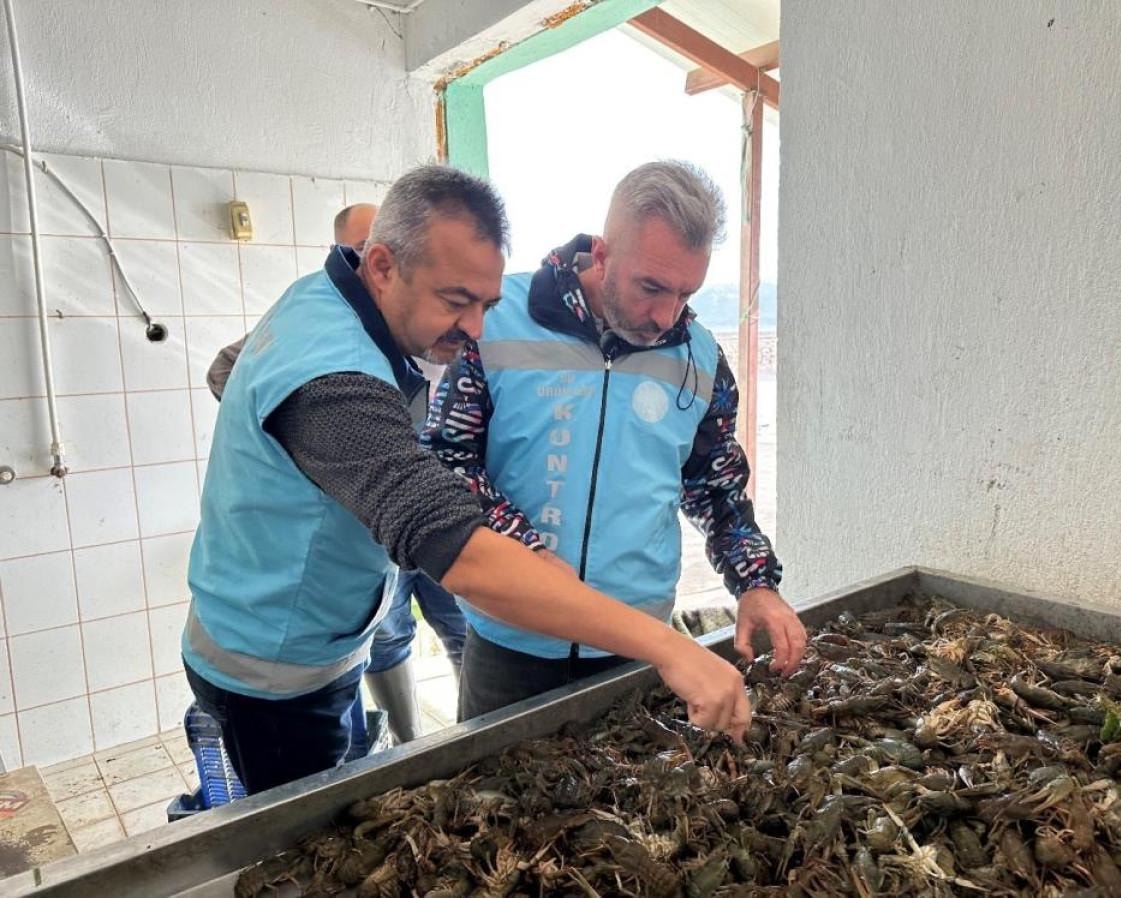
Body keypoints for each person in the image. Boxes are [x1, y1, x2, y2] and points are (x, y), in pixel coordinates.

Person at [183, 164, 750, 795]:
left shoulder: (328, 303)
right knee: (296, 835)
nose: (476, 328)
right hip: (268, 670)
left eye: (487, 305)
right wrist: (671, 648)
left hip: (320, 643)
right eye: (456, 302)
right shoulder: (331, 376)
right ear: (381, 266)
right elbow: (454, 545)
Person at [423, 161, 808, 720]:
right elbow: (447, 460)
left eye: (686, 293)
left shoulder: (701, 358)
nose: (666, 316)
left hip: (639, 646)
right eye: (651, 287)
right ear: (602, 255)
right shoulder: (497, 320)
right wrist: (526, 552)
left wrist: (756, 583)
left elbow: (718, 492)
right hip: (511, 638)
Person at [205, 202, 465, 744]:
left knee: (456, 626)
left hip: (412, 519)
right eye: (363, 251)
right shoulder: (329, 350)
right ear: (367, 263)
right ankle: (409, 741)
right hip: (276, 659)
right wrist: (309, 438)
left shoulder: (412, 323)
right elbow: (225, 369)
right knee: (390, 640)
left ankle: (455, 736)